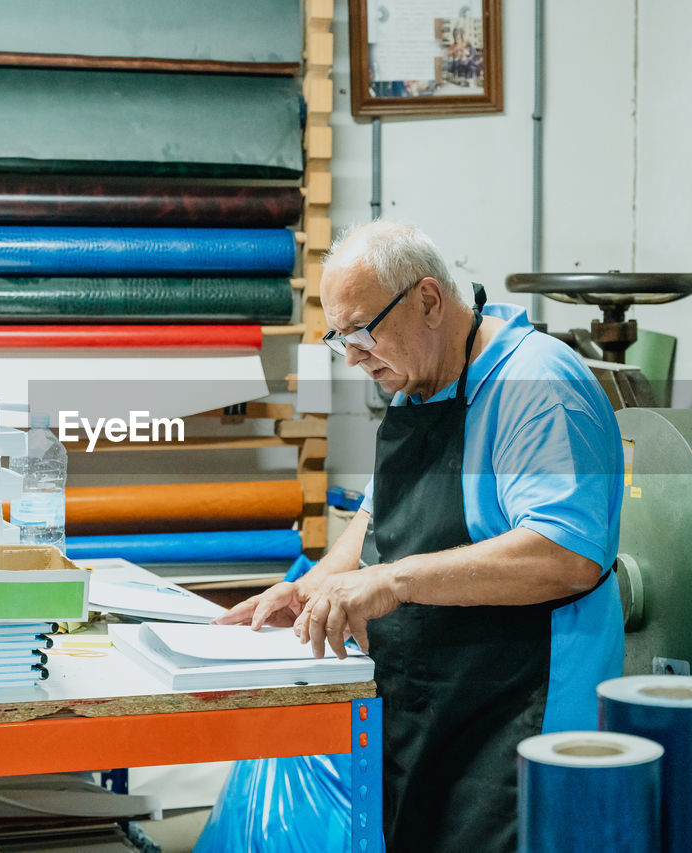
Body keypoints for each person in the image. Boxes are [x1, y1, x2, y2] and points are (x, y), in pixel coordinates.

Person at [216, 221, 624, 852]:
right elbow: (380, 521)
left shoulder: (537, 386)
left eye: (360, 332)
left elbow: (565, 554)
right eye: (338, 339)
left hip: (520, 714)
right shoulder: (420, 380)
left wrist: (391, 580)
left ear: (428, 301)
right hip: (430, 705)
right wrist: (311, 587)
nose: (351, 356)